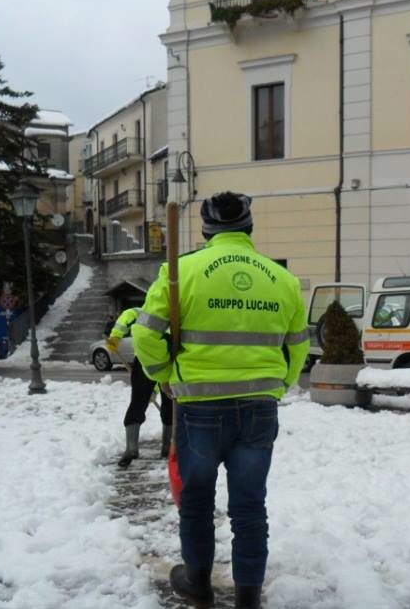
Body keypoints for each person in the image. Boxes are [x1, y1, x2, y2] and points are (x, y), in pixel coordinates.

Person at [133, 192, 310, 609]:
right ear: (249, 228)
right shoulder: (282, 279)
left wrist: (164, 376)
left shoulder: (182, 272)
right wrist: (280, 384)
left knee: (196, 502)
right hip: (259, 409)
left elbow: (143, 335)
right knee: (250, 507)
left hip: (201, 410)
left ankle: (198, 584)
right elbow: (299, 346)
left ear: (206, 231)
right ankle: (248, 596)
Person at [107, 307, 174, 468]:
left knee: (169, 404)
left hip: (168, 363)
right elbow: (127, 316)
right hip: (147, 363)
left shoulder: (178, 312)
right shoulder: (145, 311)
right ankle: (131, 449)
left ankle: (167, 448)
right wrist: (115, 335)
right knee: (139, 402)